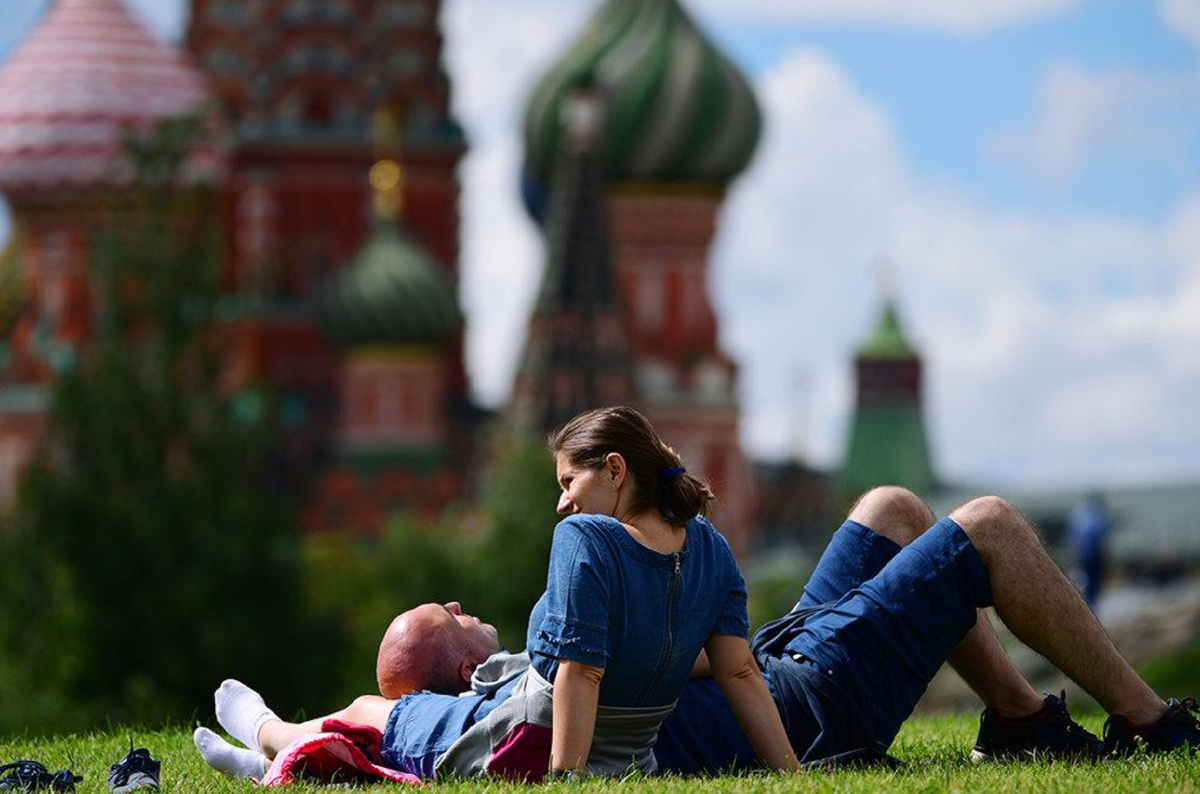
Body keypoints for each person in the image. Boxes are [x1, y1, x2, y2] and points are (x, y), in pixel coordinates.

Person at [197, 485, 1199, 780]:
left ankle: (1021, 721)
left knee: (892, 507)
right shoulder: (524, 705)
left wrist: (284, 729)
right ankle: (1154, 724)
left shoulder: (470, 705)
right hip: (817, 692)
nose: (466, 602)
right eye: (453, 614)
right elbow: (384, 714)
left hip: (773, 655)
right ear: (465, 661)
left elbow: (373, 715)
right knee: (982, 527)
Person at [196, 406, 798, 780]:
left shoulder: (586, 538)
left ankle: (267, 732)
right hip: (632, 758)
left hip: (527, 737)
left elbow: (581, 674)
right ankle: (273, 760)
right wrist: (790, 775)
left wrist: (565, 778)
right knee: (391, 724)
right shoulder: (713, 549)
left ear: (615, 470)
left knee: (377, 716)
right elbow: (741, 673)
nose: (563, 501)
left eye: (570, 481)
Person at [1066, 492, 1111, 608]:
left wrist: (1073, 555)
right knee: (1094, 583)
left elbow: (1073, 538)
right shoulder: (1099, 516)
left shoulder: (1078, 515)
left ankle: (1084, 605)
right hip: (1094, 555)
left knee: (1085, 580)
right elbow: (1102, 541)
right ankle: (1091, 606)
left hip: (1081, 554)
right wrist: (1107, 558)